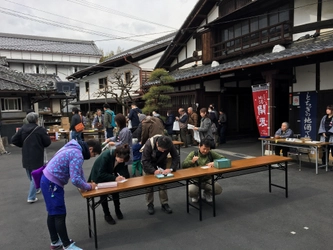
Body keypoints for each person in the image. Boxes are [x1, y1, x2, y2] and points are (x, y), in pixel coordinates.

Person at [40, 139, 101, 250]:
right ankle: (67, 245)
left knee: (52, 213)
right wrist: (88, 186)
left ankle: (55, 241)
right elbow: (75, 179)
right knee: (59, 214)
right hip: (52, 183)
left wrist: (85, 183)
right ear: (90, 148)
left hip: (47, 179)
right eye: (94, 154)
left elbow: (78, 170)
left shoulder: (74, 146)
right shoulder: (78, 154)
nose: (92, 156)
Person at [11, 112, 51, 203]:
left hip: (26, 154)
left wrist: (23, 145)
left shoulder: (22, 129)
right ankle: (31, 197)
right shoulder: (40, 129)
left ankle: (36, 189)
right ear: (37, 119)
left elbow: (14, 140)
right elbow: (47, 142)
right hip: (37, 155)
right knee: (35, 176)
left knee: (30, 174)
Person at [88, 144, 130, 225]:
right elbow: (101, 173)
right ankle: (107, 215)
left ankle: (118, 210)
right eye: (121, 159)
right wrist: (115, 178)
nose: (122, 161)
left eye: (123, 160)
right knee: (104, 196)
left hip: (111, 174)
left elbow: (122, 170)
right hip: (99, 176)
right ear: (116, 155)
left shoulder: (122, 156)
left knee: (116, 192)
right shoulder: (106, 156)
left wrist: (122, 176)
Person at [142, 136, 179, 215]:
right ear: (157, 143)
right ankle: (150, 204)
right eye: (161, 149)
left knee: (163, 185)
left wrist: (171, 169)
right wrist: (153, 170)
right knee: (149, 187)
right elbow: (145, 161)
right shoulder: (149, 144)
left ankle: (164, 203)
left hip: (161, 165)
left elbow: (176, 157)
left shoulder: (169, 143)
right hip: (149, 166)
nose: (163, 151)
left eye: (165, 150)